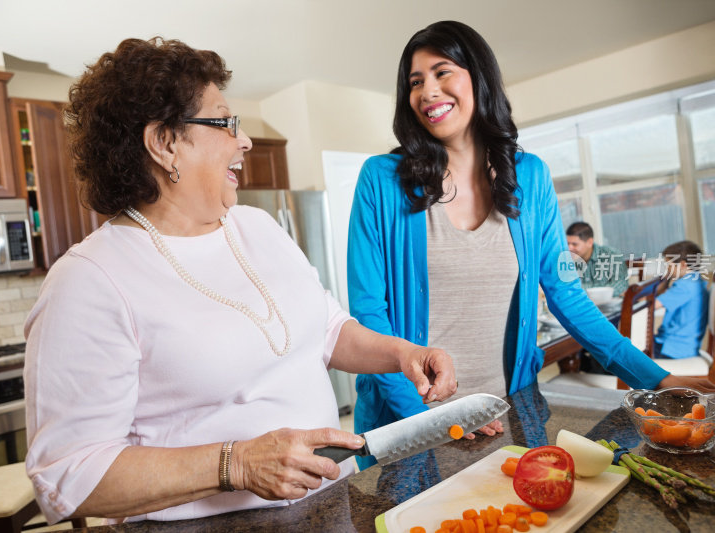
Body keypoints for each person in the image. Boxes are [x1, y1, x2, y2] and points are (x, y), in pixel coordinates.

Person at [23, 37, 457, 525]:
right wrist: (238, 464)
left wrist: (401, 354)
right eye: (225, 122)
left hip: (330, 504)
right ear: (164, 143)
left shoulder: (257, 227)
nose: (244, 140)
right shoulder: (89, 280)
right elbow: (67, 477)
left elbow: (327, 329)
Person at [346, 20, 715, 468]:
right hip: (409, 423)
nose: (427, 90)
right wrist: (433, 423)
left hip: (506, 412)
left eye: (442, 71)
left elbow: (566, 292)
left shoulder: (529, 177)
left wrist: (656, 379)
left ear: (479, 77)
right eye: (415, 81)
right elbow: (371, 317)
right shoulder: (381, 181)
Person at [654, 240, 709, 358]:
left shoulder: (685, 286)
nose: (667, 269)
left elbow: (653, 305)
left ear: (683, 265)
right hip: (685, 346)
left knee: (624, 352)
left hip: (672, 348)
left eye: (669, 265)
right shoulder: (696, 281)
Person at [565, 221, 629, 298]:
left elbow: (620, 285)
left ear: (589, 242)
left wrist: (583, 291)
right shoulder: (567, 261)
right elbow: (565, 288)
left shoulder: (611, 255)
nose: (569, 248)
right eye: (567, 244)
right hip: (582, 307)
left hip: (611, 307)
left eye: (574, 244)